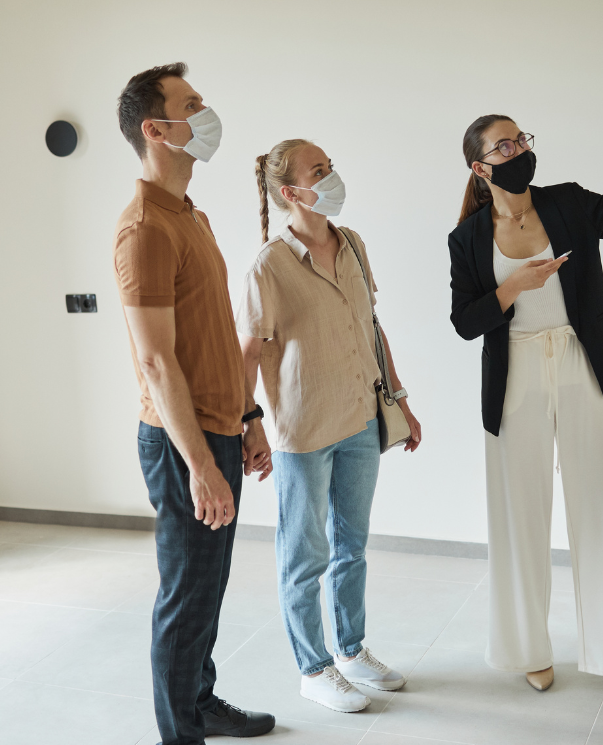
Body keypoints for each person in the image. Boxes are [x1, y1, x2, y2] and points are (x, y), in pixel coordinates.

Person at [448, 114, 603, 703]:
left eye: (522, 139)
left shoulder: (568, 203)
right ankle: (528, 648)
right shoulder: (467, 238)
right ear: (481, 168)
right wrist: (515, 288)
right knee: (520, 515)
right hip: (515, 375)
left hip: (581, 361)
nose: (519, 150)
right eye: (504, 145)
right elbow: (465, 322)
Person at [113, 62, 276, 741]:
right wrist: (200, 465)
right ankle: (180, 731)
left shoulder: (191, 217)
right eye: (192, 104)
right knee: (185, 598)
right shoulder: (144, 228)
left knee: (206, 588)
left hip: (216, 427)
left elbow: (211, 337)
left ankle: (201, 700)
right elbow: (155, 361)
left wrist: (247, 416)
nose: (206, 114)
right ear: (156, 129)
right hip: (183, 442)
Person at [236, 139, 422, 713]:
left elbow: (371, 326)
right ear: (291, 192)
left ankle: (350, 650)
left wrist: (401, 401)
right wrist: (251, 424)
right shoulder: (269, 265)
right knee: (304, 553)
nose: (333, 176)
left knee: (352, 546)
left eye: (331, 166)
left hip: (361, 418)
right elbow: (247, 351)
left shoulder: (354, 244)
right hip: (303, 431)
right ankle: (312, 667)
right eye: (320, 171)